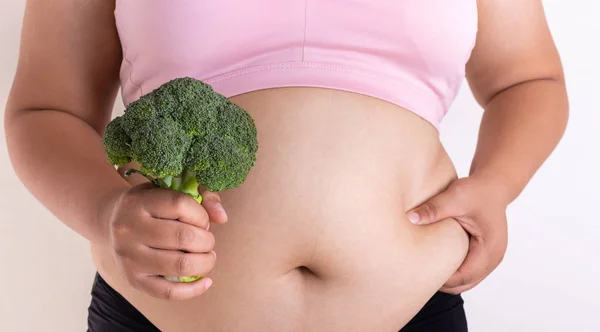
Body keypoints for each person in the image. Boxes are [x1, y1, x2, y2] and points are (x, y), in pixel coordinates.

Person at [4, 0, 568, 331]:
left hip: (413, 313)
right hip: (157, 315)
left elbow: (529, 78)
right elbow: (45, 108)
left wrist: (495, 186)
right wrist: (107, 212)